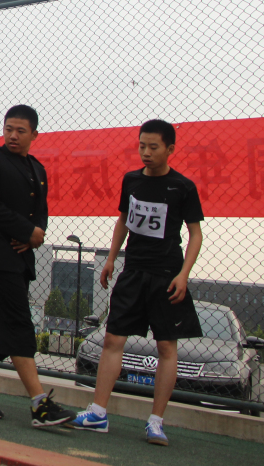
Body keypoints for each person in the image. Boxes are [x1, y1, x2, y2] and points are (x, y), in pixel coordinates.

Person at [72, 120, 204, 446]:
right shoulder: (131, 180)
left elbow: (195, 234)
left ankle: (156, 422)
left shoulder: (183, 187)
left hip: (166, 276)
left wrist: (183, 274)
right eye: (142, 146)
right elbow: (123, 220)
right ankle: (98, 412)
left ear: (170, 149)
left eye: (153, 147)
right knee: (112, 339)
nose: (146, 152)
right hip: (132, 272)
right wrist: (111, 258)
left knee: (166, 347)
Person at [0, 105, 74, 428]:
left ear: (34, 135)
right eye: (8, 129)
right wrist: (26, 231)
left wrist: (35, 235)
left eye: (20, 131)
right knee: (19, 323)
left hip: (20, 258)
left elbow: (40, 211)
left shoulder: (37, 168)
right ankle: (39, 405)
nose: (13, 136)